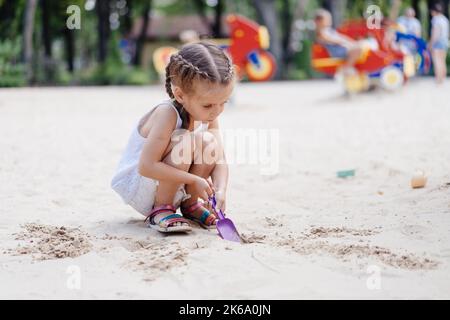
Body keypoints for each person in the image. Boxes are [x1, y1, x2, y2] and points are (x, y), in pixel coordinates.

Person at [111, 42, 234, 233]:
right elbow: (146, 166)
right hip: (143, 185)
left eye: (223, 103)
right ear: (180, 95)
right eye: (208, 105)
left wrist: (221, 190)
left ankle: (190, 205)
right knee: (185, 139)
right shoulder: (167, 113)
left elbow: (219, 158)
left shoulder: (209, 115)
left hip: (176, 183)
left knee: (209, 142)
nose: (216, 111)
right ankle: (161, 209)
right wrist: (193, 180)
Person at [314, 8, 362, 74]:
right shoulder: (321, 32)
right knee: (357, 49)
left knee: (360, 46)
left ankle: (351, 67)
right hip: (335, 51)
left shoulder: (328, 30)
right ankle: (346, 68)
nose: (329, 21)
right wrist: (344, 42)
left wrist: (349, 42)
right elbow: (331, 40)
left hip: (340, 48)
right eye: (327, 19)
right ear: (319, 21)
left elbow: (341, 37)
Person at [429, 3, 449, 84]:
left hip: (438, 42)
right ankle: (442, 79)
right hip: (445, 41)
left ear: (434, 11)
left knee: (437, 61)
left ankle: (438, 80)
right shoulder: (445, 19)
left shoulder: (436, 19)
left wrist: (430, 43)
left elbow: (435, 33)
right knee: (442, 61)